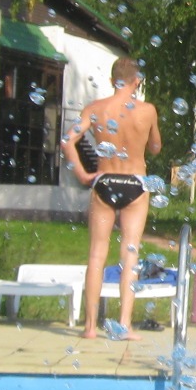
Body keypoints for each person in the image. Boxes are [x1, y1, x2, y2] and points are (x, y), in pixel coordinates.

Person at [61, 55, 163, 340]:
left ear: (111, 80)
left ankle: (90, 327)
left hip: (104, 180)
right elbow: (156, 148)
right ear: (137, 81)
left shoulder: (95, 109)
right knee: (130, 255)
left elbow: (67, 141)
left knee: (97, 254)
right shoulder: (147, 110)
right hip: (135, 183)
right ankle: (124, 325)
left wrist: (83, 174)